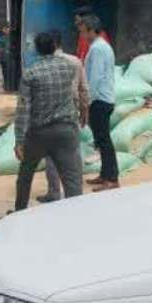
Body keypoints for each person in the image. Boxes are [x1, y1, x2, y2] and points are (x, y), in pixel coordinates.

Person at [13, 32, 83, 211]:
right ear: (55, 47)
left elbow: (23, 109)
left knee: (26, 173)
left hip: (38, 133)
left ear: (37, 50)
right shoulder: (69, 67)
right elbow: (77, 93)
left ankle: (20, 210)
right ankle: (77, 214)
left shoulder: (31, 74)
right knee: (72, 178)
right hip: (66, 130)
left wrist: (19, 139)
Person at [38, 30, 90, 203]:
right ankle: (75, 196)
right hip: (70, 114)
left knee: (51, 157)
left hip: (48, 117)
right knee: (73, 155)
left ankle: (53, 192)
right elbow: (83, 89)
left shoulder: (41, 65)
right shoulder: (75, 61)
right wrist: (84, 112)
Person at [82, 14, 119, 191]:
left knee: (103, 141)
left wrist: (88, 102)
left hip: (99, 100)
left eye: (83, 31)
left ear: (91, 30)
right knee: (101, 139)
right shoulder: (101, 46)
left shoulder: (97, 48)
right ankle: (105, 174)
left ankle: (111, 178)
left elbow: (95, 78)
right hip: (103, 98)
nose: (82, 35)